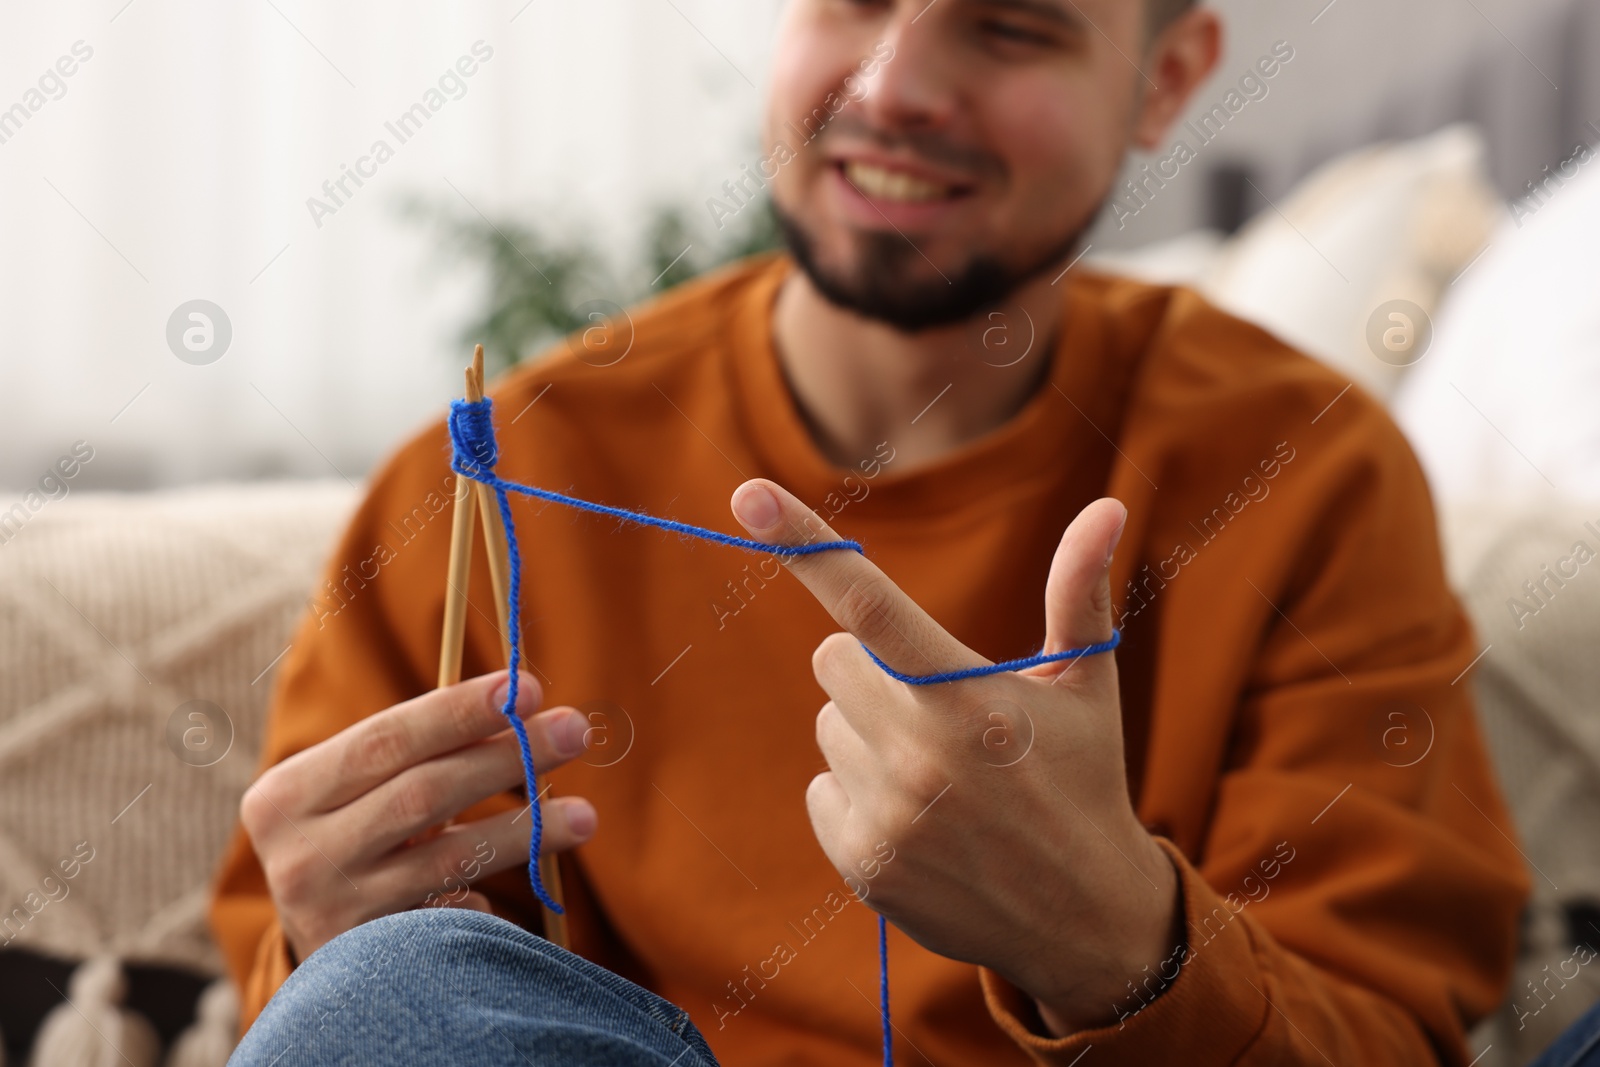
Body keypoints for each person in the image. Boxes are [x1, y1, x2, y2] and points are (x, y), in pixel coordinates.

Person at [212, 0, 1529, 1064]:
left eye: (1010, 26)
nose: (895, 85)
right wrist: (322, 943)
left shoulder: (1307, 472)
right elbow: (378, 1018)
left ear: (1168, 77)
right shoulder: (488, 487)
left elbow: (1394, 1032)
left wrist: (1117, 945)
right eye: (854, 0)